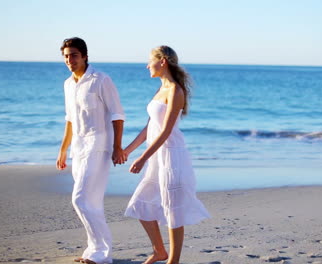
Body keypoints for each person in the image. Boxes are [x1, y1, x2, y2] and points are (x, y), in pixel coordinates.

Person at [124, 46, 210, 264]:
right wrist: (128, 150)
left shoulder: (175, 91)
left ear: (162, 61)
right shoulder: (160, 89)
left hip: (171, 157)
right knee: (141, 203)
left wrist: (142, 158)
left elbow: (166, 131)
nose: (147, 65)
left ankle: (173, 260)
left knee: (173, 209)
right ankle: (159, 251)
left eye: (150, 61)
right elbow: (149, 128)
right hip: (156, 158)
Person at [56, 37, 126, 264]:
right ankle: (94, 251)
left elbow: (117, 115)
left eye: (74, 55)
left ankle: (101, 253)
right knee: (92, 202)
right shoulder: (68, 84)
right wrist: (63, 150)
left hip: (98, 146)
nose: (70, 60)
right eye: (66, 56)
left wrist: (117, 147)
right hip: (78, 147)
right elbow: (70, 120)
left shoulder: (101, 80)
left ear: (85, 56)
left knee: (80, 199)